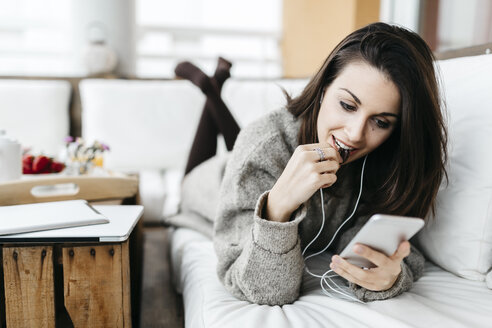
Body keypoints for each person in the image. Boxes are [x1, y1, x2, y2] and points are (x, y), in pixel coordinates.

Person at [177, 22, 447, 306]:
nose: (355, 134)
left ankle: (213, 87)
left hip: (251, 152)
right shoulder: (264, 144)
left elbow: (388, 250)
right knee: (208, 165)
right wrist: (278, 207)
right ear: (323, 89)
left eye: (380, 122)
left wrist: (389, 276)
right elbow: (264, 288)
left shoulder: (383, 162)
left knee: (241, 144)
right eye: (347, 105)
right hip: (210, 183)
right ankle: (210, 89)